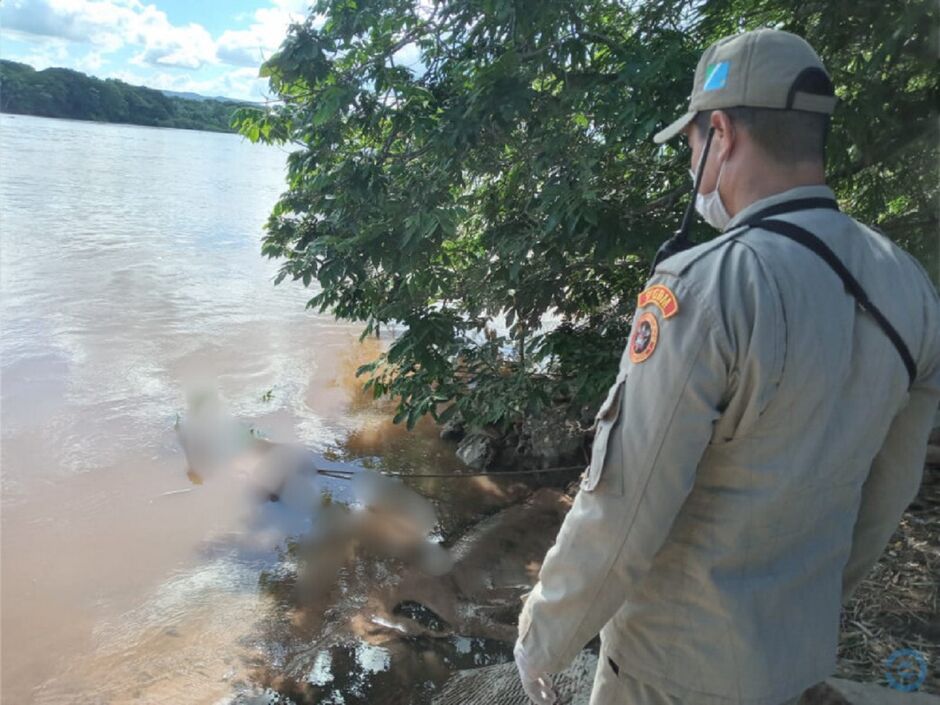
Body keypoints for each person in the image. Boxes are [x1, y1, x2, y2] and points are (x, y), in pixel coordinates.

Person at [513, 28, 940, 705]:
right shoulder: (908, 284)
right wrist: (799, 614)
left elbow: (625, 502)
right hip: (789, 661)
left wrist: (542, 639)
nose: (690, 162)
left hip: (671, 671)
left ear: (721, 133)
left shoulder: (708, 286)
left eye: (689, 144)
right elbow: (886, 496)